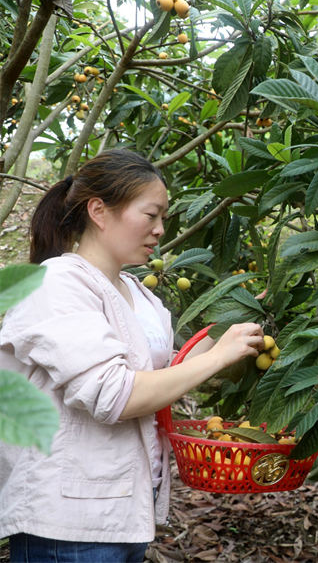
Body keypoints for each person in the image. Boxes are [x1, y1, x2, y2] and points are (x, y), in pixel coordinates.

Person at [0, 149, 264, 562]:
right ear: (99, 211)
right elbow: (116, 395)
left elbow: (167, 372)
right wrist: (216, 357)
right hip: (67, 524)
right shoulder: (55, 284)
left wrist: (234, 329)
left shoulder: (138, 293)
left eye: (164, 218)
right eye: (151, 215)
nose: (160, 230)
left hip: (122, 507)